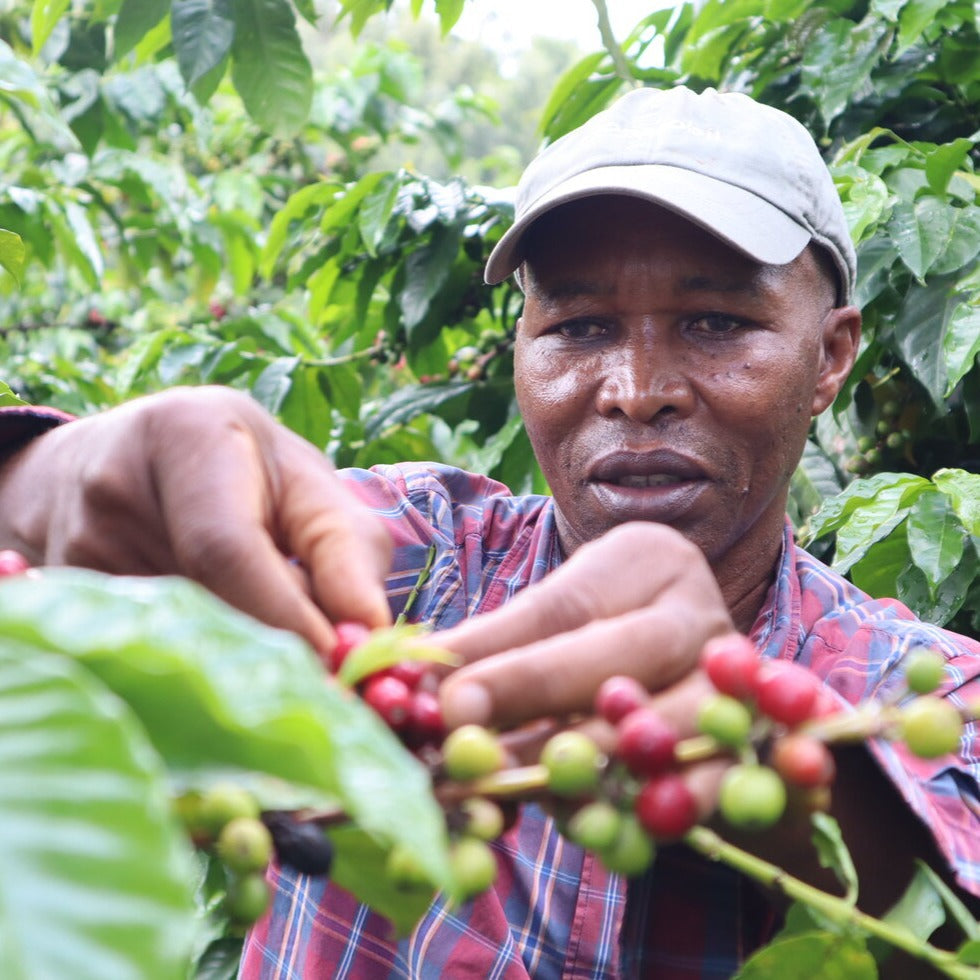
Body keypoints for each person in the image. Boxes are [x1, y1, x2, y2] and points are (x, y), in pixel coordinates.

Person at [0, 86, 977, 977]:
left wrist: (800, 784)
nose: (636, 391)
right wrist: (39, 483)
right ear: (519, 350)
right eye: (579, 327)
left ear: (830, 356)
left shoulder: (923, 690)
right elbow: (173, 554)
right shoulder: (405, 558)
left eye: (714, 322)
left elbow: (949, 907)